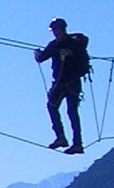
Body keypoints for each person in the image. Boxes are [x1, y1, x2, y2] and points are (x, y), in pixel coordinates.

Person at [34, 18, 91, 154]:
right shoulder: (55, 45)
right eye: (54, 31)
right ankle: (62, 138)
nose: (55, 33)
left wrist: (70, 51)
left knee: (71, 112)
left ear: (62, 29)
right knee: (54, 107)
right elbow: (41, 58)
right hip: (61, 83)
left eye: (56, 30)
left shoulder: (74, 43)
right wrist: (38, 54)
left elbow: (83, 41)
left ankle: (75, 143)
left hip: (70, 83)